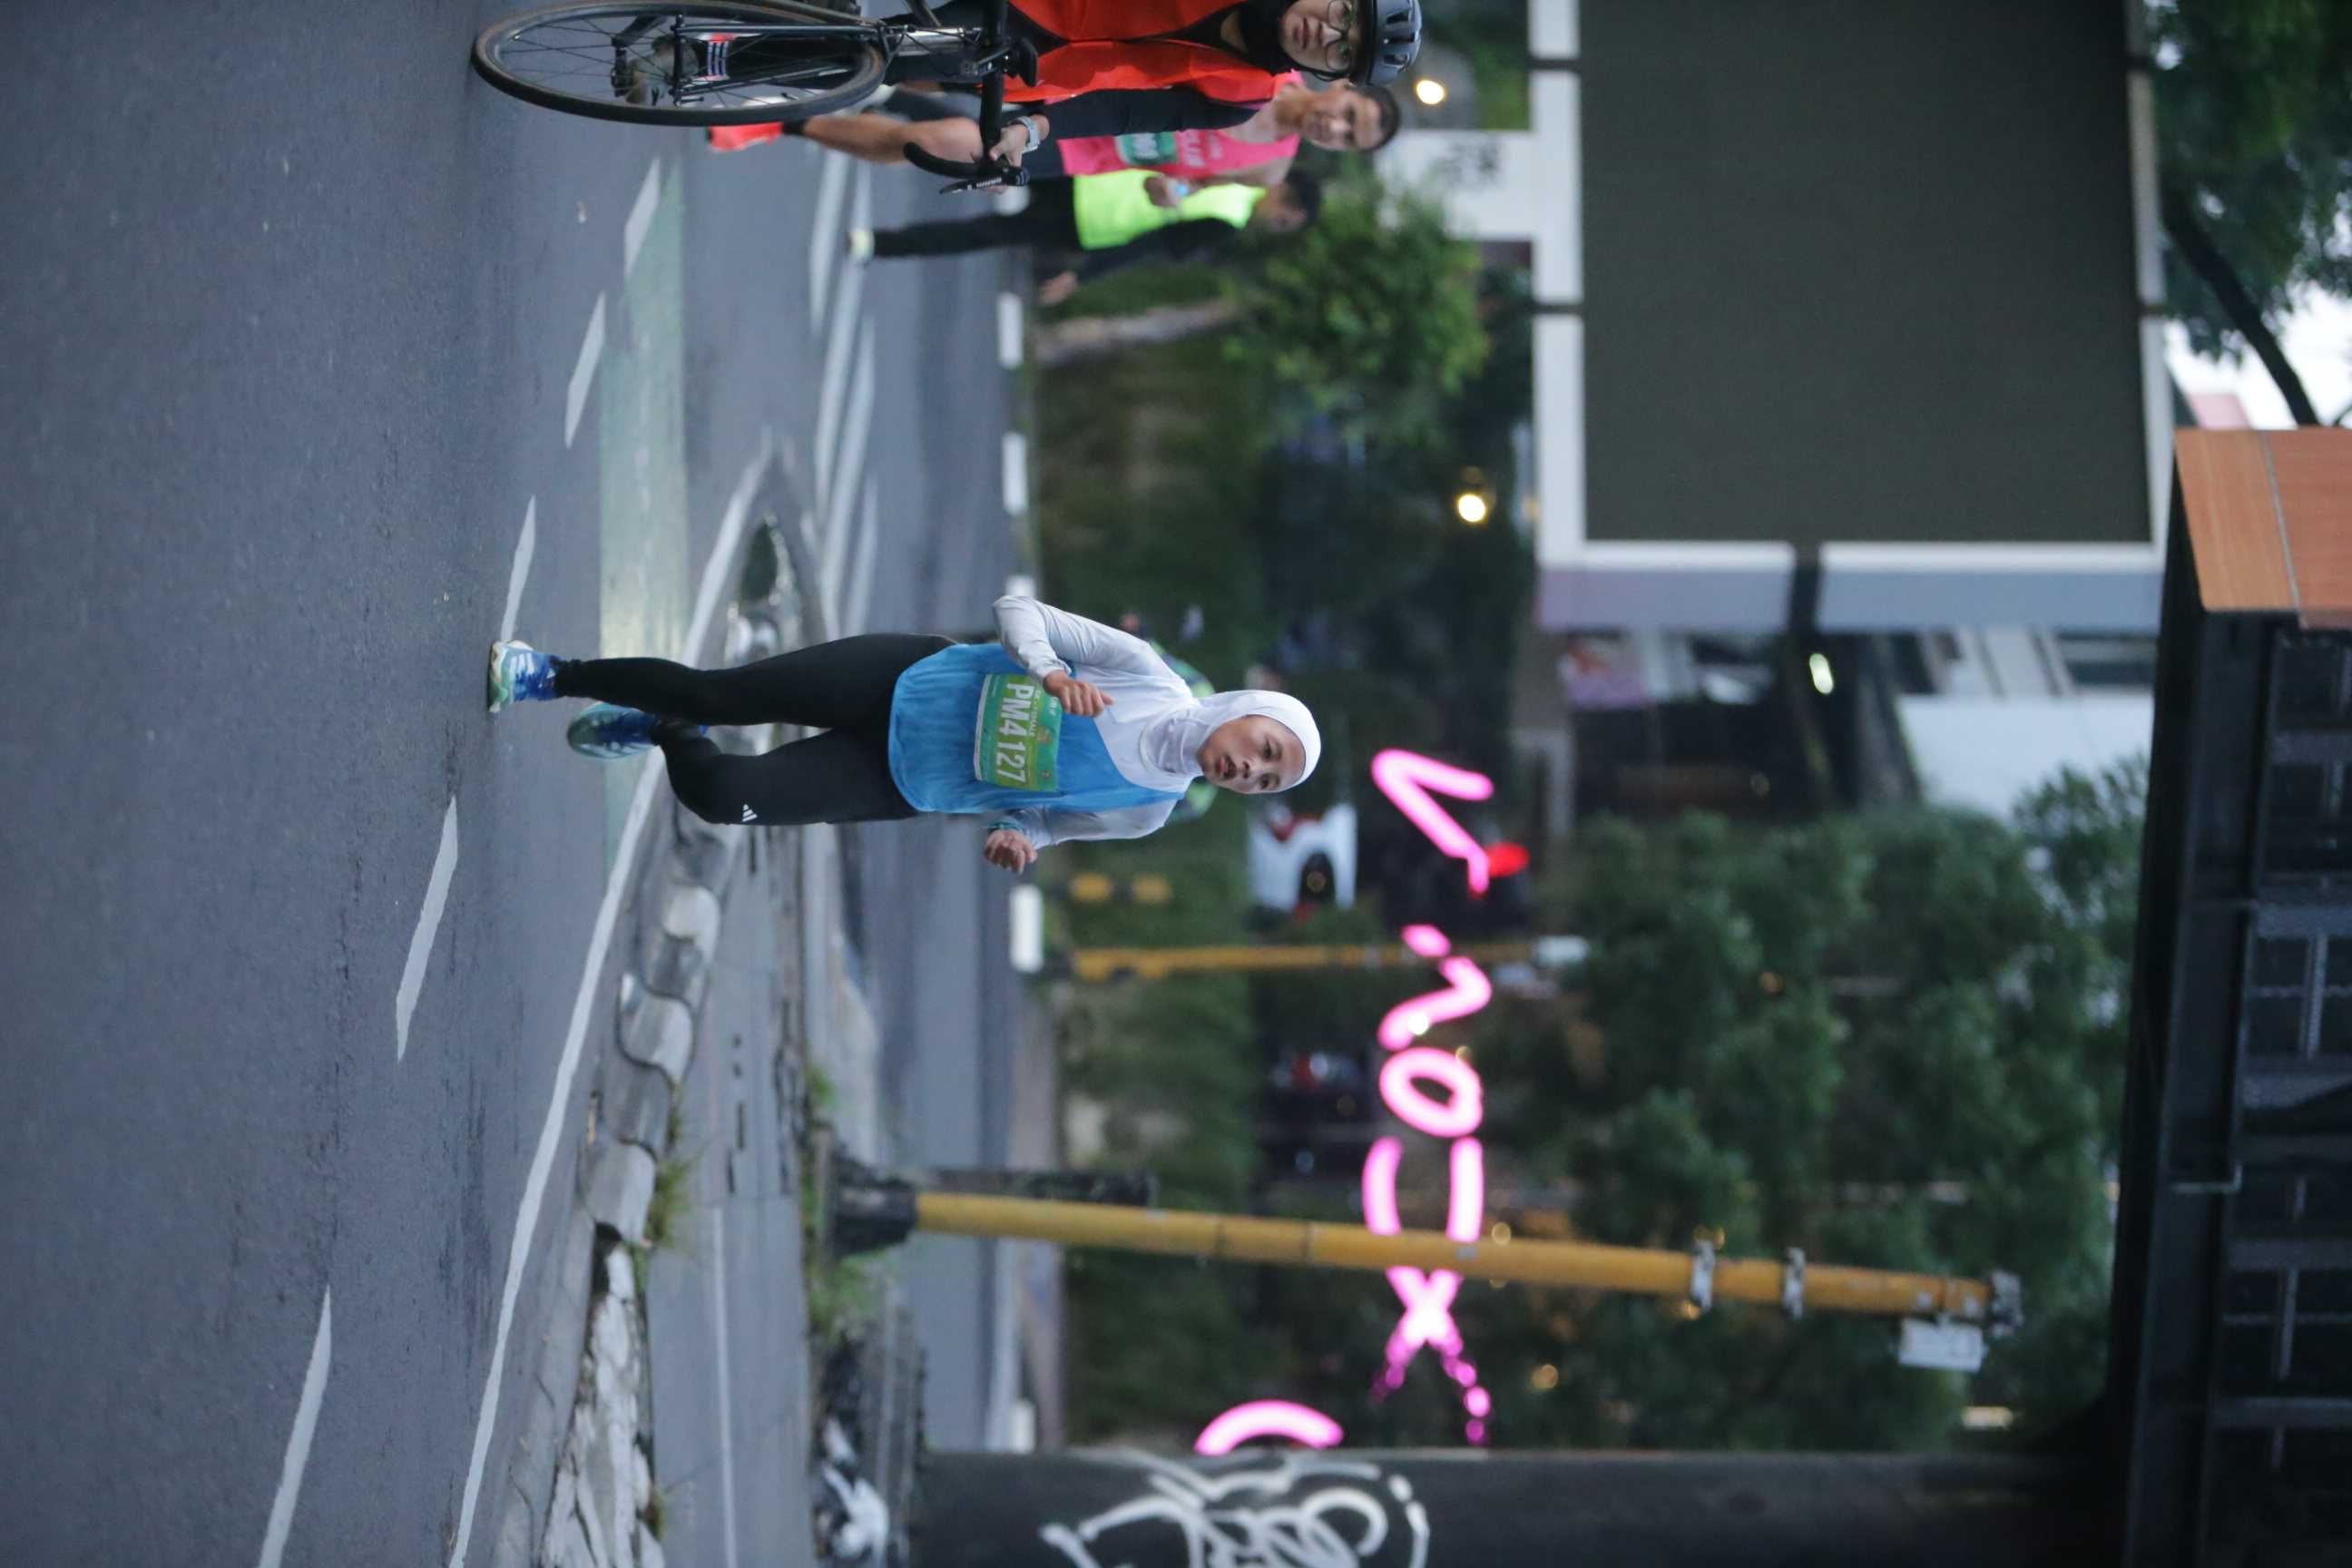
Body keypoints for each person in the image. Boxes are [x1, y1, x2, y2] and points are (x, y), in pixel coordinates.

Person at [485, 595, 1320, 870]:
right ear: (1249, 710)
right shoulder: (1141, 672)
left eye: (1267, 781)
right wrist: (1046, 672)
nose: (1252, 770)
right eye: (1266, 749)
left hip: (897, 781)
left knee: (722, 796)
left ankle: (668, 730)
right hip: (901, 678)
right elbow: (1018, 610)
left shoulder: (1147, 809)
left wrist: (1017, 837)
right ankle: (551, 673)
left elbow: (1046, 821)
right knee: (723, 693)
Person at [701, 0, 1422, 170]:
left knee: (883, 56)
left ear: (1330, 70)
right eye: (1342, 13)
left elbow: (1121, 111)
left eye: (1342, 47)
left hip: (1028, 51)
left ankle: (708, 60)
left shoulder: (1243, 98)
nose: (1325, 30)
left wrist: (1033, 128)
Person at [716, 78, 1399, 190]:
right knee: (922, 70)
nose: (1335, 127)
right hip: (1078, 86)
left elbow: (1190, 188)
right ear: (1342, 86)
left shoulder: (1269, 169)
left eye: (1348, 138)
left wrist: (1173, 194)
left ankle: (785, 122)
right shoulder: (1262, 67)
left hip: (1072, 152)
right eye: (1349, 114)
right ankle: (780, 52)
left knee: (928, 144)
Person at [848, 166, 1319, 299]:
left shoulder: (1236, 171)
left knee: (980, 157)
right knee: (985, 231)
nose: (1273, 226)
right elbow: (1149, 246)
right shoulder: (1227, 221)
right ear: (1286, 199)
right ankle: (879, 244)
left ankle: (897, 101)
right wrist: (1085, 275)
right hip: (1083, 218)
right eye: (1283, 221)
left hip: (1084, 174)